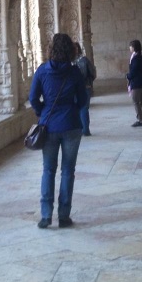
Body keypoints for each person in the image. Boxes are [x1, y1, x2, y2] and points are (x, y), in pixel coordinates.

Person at [29, 33, 88, 228]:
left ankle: (46, 215)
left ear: (51, 49)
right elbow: (83, 100)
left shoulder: (42, 71)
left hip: (49, 126)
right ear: (71, 51)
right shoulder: (74, 73)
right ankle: (64, 216)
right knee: (68, 171)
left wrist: (42, 112)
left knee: (48, 170)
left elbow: (33, 98)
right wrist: (73, 108)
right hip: (71, 125)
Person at [73, 41, 96, 135]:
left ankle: (83, 129)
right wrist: (89, 82)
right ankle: (85, 130)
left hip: (75, 89)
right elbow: (92, 73)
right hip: (85, 87)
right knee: (83, 109)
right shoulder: (84, 60)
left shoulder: (70, 62)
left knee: (80, 109)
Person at [126, 40, 142, 126]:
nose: (129, 47)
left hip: (137, 83)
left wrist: (128, 76)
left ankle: (141, 120)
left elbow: (134, 71)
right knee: (141, 102)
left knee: (136, 102)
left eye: (130, 46)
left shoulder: (136, 58)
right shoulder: (139, 57)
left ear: (134, 47)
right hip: (141, 82)